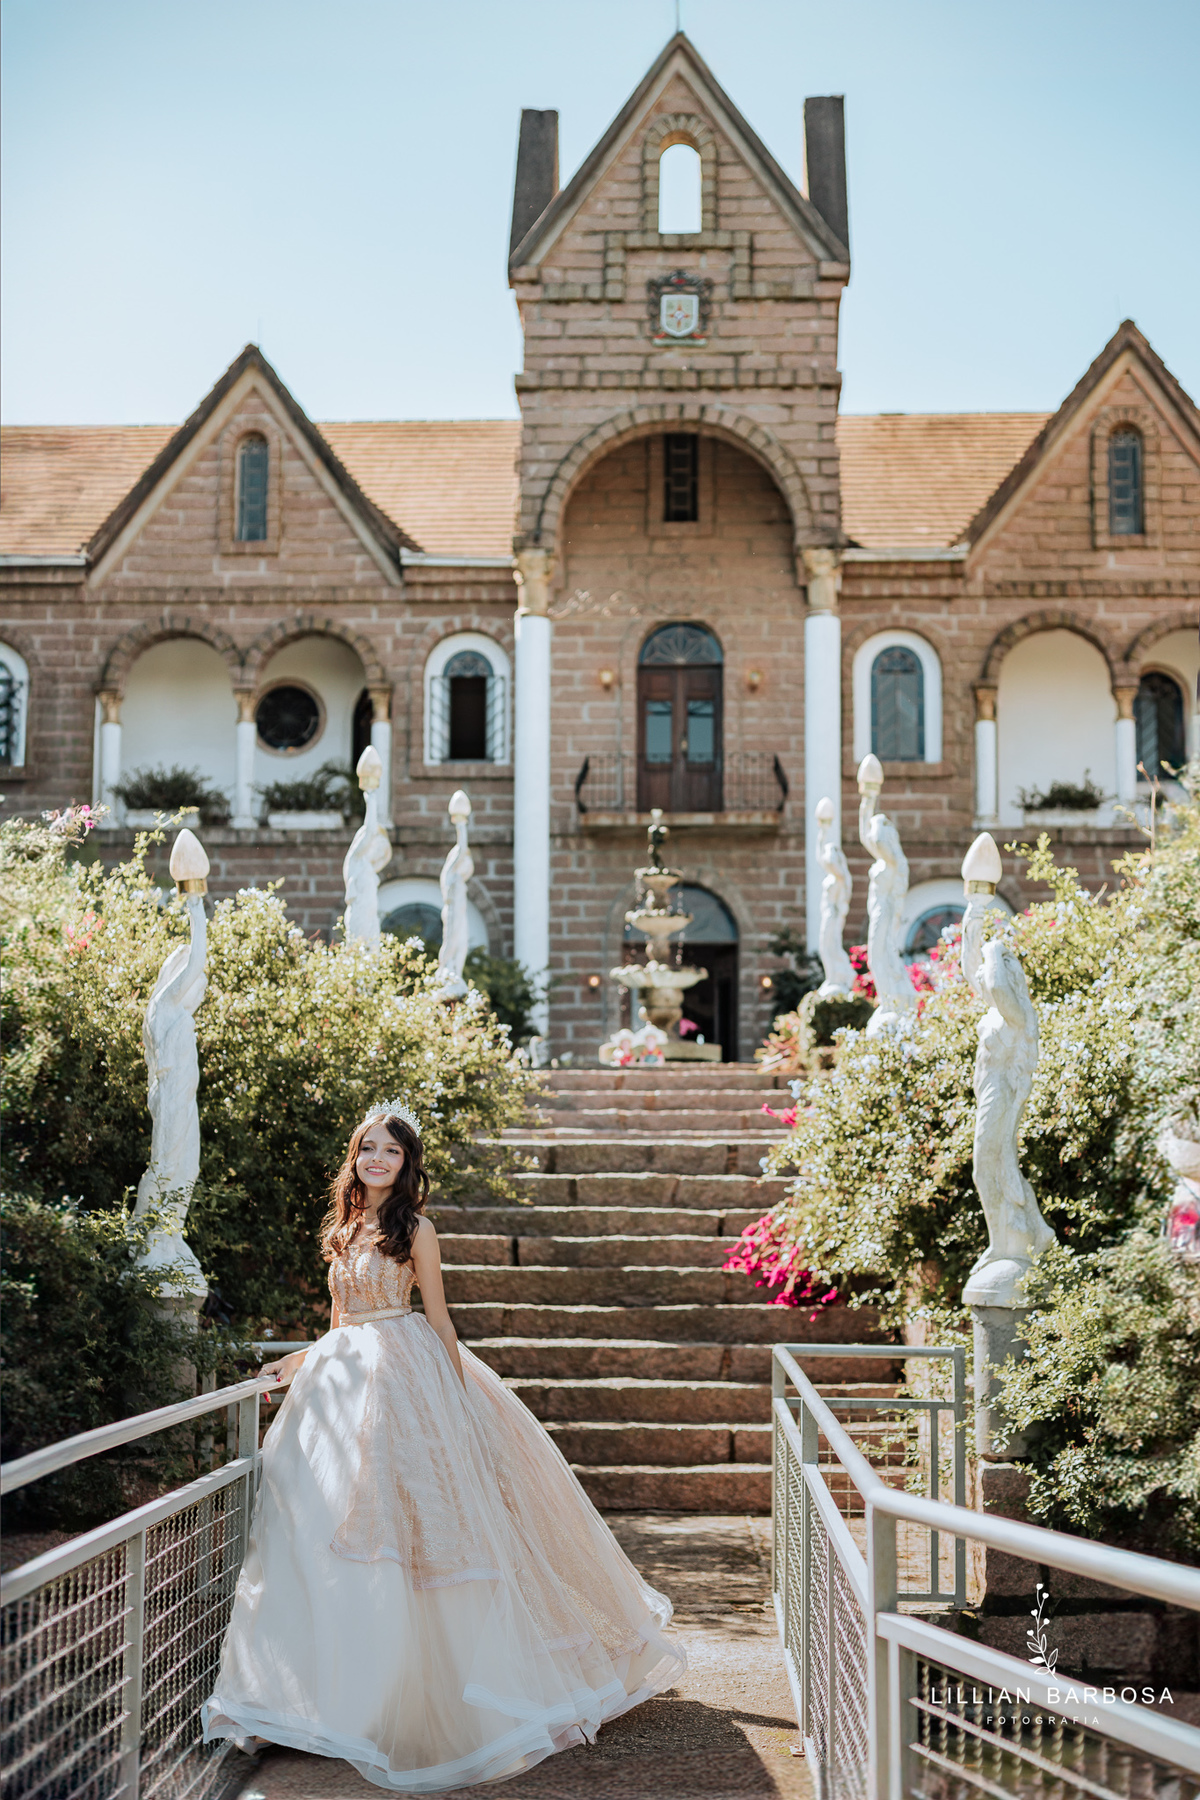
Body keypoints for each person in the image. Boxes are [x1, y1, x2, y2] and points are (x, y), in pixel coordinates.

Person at [201, 1098, 684, 1790]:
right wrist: (294, 1364)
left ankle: (416, 1700)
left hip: (406, 1374)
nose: (377, 1160)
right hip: (338, 1383)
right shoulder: (342, 1226)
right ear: (354, 1155)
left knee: (412, 1528)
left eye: (391, 1152)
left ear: (406, 1163)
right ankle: (305, 1697)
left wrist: (458, 1403)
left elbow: (440, 1319)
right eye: (368, 1148)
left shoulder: (415, 1228)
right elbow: (339, 1321)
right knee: (309, 1529)